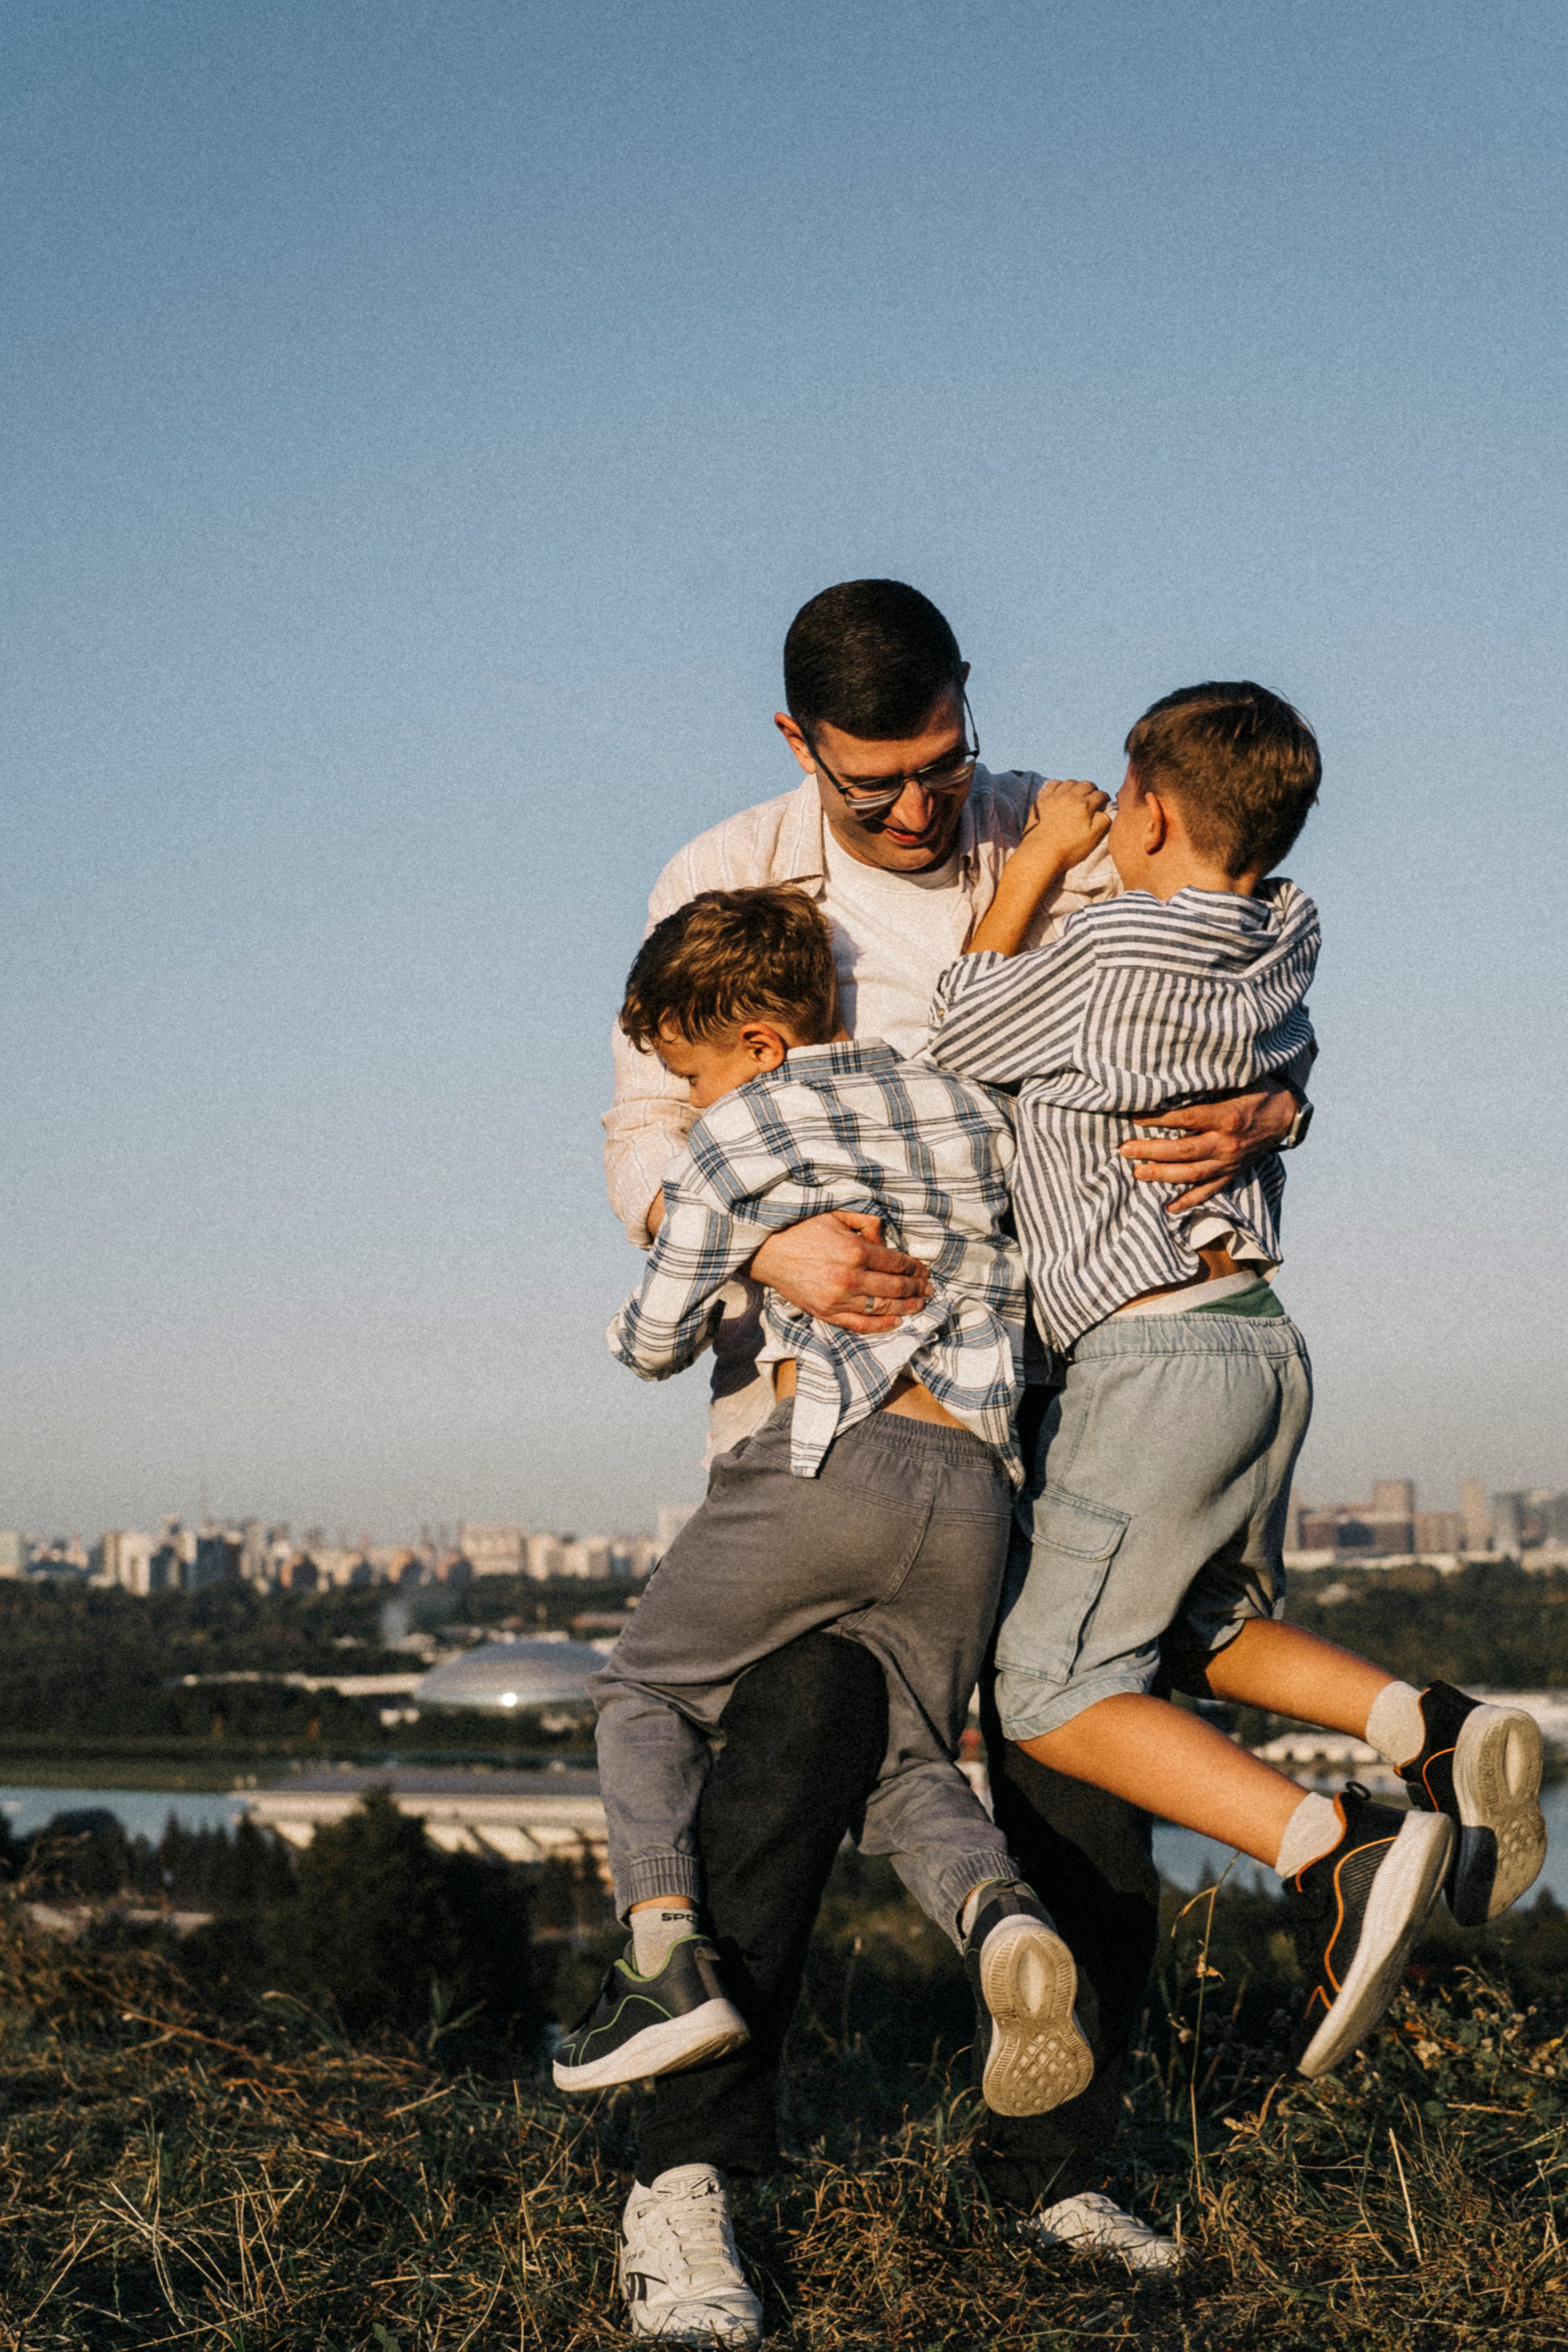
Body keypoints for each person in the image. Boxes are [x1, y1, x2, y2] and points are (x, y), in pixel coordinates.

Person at [600, 583, 1304, 2343]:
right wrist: (767, 1246)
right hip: (814, 1416)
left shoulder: (1061, 832)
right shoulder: (724, 869)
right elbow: (645, 1125)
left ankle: (1058, 2168)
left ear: (969, 706)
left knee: (1079, 1764)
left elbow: (1226, 990)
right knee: (787, 1761)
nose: (920, 807)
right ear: (798, 748)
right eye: (875, 783)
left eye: (941, 761)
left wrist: (1282, 1104)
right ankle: (691, 2187)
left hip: (1048, 1390)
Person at [924, 680, 1547, 2079]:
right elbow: (1282, 1030)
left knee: (1047, 1689)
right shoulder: (1283, 933)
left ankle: (1328, 1849)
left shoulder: (1104, 948)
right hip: (1257, 1337)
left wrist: (1038, 861)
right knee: (1195, 1625)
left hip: (1145, 1353)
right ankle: (1429, 1727)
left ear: (1144, 812)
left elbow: (962, 1027)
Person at [562, 886, 1099, 2139]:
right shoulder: (965, 1104)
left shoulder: (736, 1134)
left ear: (756, 1045)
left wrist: (697, 1266)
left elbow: (653, 1341)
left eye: (692, 1072)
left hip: (825, 1465)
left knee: (643, 1692)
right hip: (972, 1493)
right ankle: (999, 1916)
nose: (691, 1099)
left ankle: (660, 1959)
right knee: (905, 1760)